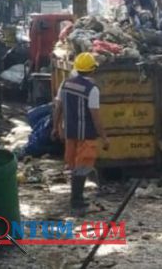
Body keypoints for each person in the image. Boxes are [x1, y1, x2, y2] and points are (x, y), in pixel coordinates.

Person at [52, 52, 110, 215]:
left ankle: (77, 197)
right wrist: (104, 138)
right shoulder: (92, 90)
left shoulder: (65, 84)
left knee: (75, 165)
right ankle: (76, 201)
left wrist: (56, 127)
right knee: (83, 166)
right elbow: (95, 117)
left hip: (70, 133)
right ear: (92, 70)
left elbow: (59, 107)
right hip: (86, 134)